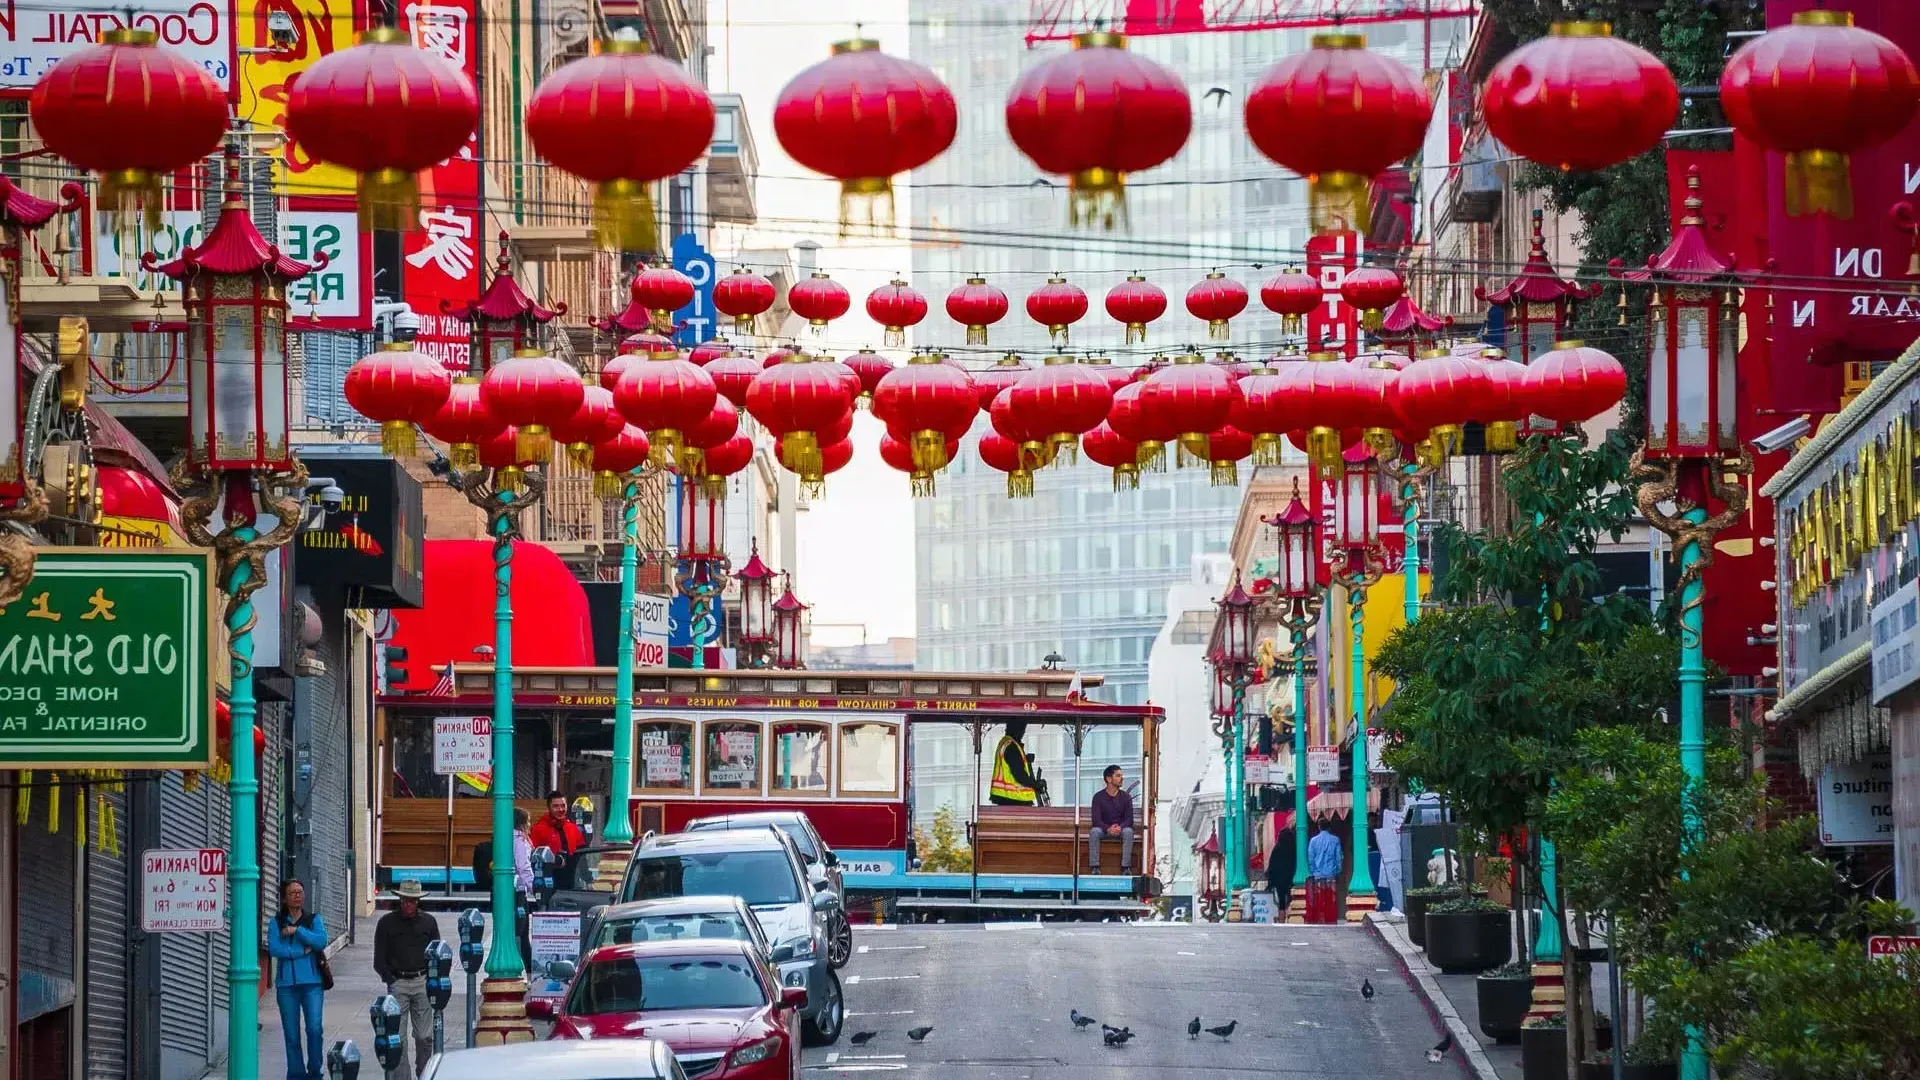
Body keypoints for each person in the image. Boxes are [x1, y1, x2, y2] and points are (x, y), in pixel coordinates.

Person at [373, 879, 440, 1078]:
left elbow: (436, 952)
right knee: (397, 1040)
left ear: (418, 901)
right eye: (404, 900)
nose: (408, 905)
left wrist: (430, 978)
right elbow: (379, 959)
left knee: (425, 1036)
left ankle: (424, 1074)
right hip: (398, 983)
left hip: (422, 980)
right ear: (400, 900)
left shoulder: (428, 922)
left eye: (412, 901)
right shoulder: (386, 923)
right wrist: (390, 980)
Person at [268, 879, 327, 1080]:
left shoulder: (313, 919)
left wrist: (297, 931)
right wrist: (301, 951)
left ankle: (315, 1071)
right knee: (291, 1034)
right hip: (287, 986)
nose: (298, 896)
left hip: (312, 984)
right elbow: (275, 949)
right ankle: (296, 1074)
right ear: (284, 897)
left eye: (300, 892)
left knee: (314, 1029)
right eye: (292, 893)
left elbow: (320, 941)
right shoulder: (276, 921)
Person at [529, 789, 587, 886]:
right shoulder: (538, 829)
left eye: (563, 806)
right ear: (549, 808)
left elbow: (582, 858)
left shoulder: (573, 828)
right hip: (548, 882)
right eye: (556, 806)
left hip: (572, 880)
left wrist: (588, 879)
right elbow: (532, 858)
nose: (560, 809)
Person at [1087, 765, 1135, 876]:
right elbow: (1096, 820)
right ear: (1108, 779)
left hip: (1120, 830)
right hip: (1104, 830)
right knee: (1094, 832)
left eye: (1121, 776)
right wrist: (1107, 828)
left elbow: (1129, 819)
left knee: (1128, 832)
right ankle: (1095, 867)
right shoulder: (1098, 797)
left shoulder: (1126, 797)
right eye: (1118, 776)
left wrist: (1120, 827)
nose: (1121, 778)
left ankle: (1125, 867)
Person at [988, 721, 1040, 806]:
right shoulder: (1012, 747)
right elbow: (1019, 774)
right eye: (1022, 729)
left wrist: (1026, 759)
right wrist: (1035, 785)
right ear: (1017, 730)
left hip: (1005, 797)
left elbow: (1011, 765)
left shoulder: (1005, 743)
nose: (1023, 733)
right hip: (1014, 798)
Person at [1306, 818, 1344, 924]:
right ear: (1329, 827)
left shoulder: (1313, 841)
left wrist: (1314, 871)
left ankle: (1320, 919)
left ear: (1319, 826)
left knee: (1319, 899)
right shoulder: (1335, 840)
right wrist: (1338, 870)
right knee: (1331, 899)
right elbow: (1338, 857)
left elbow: (1311, 858)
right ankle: (1330, 920)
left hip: (1318, 875)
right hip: (1331, 875)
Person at [513, 807, 536, 978]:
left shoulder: (505, 837)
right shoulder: (519, 840)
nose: (530, 824)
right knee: (521, 934)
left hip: (510, 890)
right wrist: (534, 886)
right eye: (527, 821)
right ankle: (526, 973)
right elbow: (523, 866)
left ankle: (524, 971)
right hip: (519, 890)